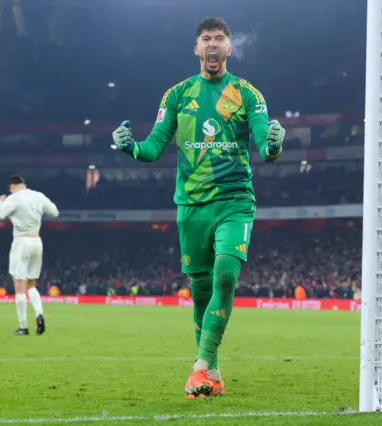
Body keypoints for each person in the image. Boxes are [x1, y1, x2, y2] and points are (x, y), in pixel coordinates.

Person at [111, 17, 286, 398]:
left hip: (234, 200)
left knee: (226, 274)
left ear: (229, 48)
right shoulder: (176, 95)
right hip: (190, 205)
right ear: (196, 48)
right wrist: (130, 147)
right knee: (202, 292)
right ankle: (215, 372)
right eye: (206, 39)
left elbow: (265, 145)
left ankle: (198, 368)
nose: (212, 44)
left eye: (219, 39)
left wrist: (273, 143)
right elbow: (153, 147)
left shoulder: (246, 94)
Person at [0, 175, 59, 336]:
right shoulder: (38, 195)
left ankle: (23, 327)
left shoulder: (14, 198)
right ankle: (39, 313)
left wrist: (1, 202)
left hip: (21, 242)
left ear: (12, 187)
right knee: (31, 284)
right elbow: (55, 212)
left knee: (19, 286)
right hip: (37, 241)